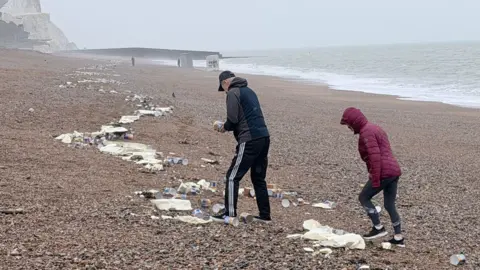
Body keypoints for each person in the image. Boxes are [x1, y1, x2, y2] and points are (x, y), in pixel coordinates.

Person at [212, 70, 272, 223]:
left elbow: (232, 119)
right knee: (258, 178)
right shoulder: (249, 91)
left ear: (225, 83)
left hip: (249, 139)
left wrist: (222, 127)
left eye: (223, 88)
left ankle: (229, 214)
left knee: (232, 177)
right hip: (264, 137)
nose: (224, 92)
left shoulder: (233, 92)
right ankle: (265, 216)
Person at [340, 107, 404, 246]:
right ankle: (399, 238)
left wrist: (375, 178)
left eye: (349, 124)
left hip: (384, 172)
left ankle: (378, 228)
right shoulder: (375, 128)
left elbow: (375, 157)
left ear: (354, 121)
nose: (349, 128)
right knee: (389, 204)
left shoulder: (366, 133)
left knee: (363, 197)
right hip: (394, 170)